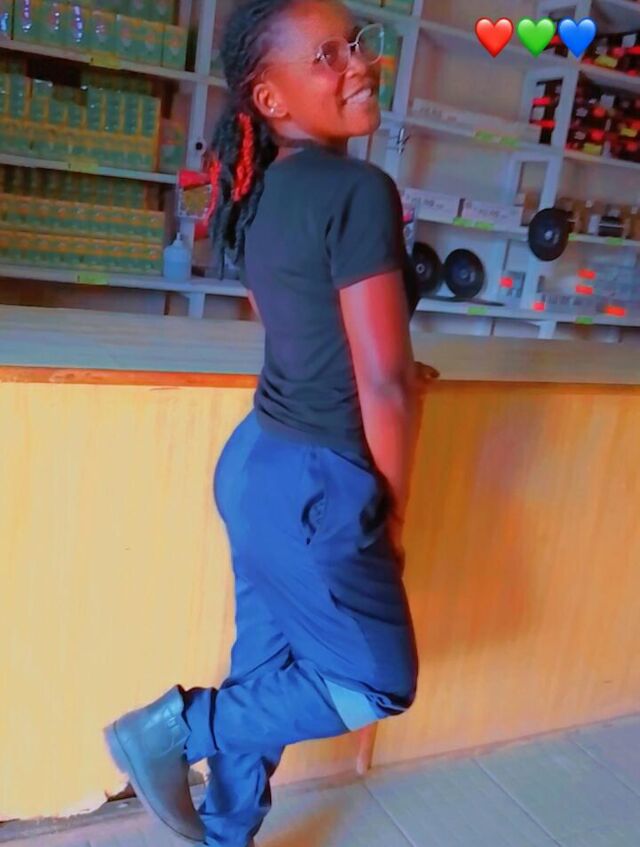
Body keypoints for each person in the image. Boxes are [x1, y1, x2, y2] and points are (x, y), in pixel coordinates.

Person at [103, 1, 424, 845]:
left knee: (267, 668)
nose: (358, 64)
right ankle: (175, 729)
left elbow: (294, 320)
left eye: (357, 45)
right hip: (319, 483)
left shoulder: (255, 190)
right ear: (270, 97)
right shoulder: (359, 191)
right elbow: (384, 383)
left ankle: (225, 831)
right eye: (326, 55)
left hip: (258, 463)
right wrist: (389, 516)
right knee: (377, 682)